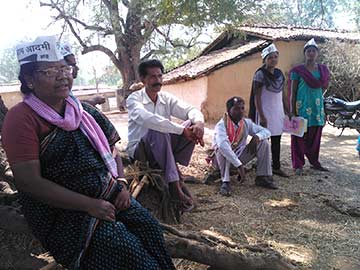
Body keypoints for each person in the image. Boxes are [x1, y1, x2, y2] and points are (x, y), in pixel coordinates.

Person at [2, 36, 175, 270]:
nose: (63, 75)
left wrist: (121, 183)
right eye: (50, 70)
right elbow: (29, 182)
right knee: (122, 247)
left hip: (109, 193)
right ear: (30, 80)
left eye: (65, 68)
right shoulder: (21, 118)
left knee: (149, 228)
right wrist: (89, 205)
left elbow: (112, 149)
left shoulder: (82, 111)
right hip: (62, 213)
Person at [126, 59, 204, 211]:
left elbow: (190, 110)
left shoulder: (166, 98)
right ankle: (174, 186)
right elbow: (148, 120)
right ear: (143, 79)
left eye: (160, 76)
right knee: (158, 129)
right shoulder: (134, 99)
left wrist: (199, 123)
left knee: (191, 124)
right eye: (153, 77)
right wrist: (180, 130)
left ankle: (172, 165)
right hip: (140, 151)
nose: (158, 81)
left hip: (163, 147)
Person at [212, 96, 277, 196]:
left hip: (238, 157)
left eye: (242, 108)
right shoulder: (221, 125)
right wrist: (239, 165)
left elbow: (267, 132)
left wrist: (257, 137)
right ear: (229, 110)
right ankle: (225, 182)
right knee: (224, 148)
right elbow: (222, 145)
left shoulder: (246, 123)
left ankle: (262, 176)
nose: (241, 111)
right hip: (221, 161)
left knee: (263, 143)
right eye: (237, 108)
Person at [289, 38, 330, 175]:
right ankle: (298, 165)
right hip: (301, 107)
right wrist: (292, 110)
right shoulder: (297, 70)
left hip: (317, 108)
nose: (311, 53)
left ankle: (314, 162)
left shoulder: (323, 70)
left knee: (315, 136)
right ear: (304, 53)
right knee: (298, 136)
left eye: (313, 51)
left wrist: (316, 98)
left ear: (317, 53)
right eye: (308, 51)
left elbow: (324, 87)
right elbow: (293, 91)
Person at [249, 44, 289, 177]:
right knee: (263, 140)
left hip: (277, 111)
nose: (273, 59)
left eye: (275, 57)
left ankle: (276, 166)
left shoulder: (279, 74)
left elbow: (282, 94)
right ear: (265, 59)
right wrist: (262, 116)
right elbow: (257, 97)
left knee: (277, 138)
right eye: (270, 57)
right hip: (264, 112)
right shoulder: (260, 74)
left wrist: (287, 110)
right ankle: (261, 167)